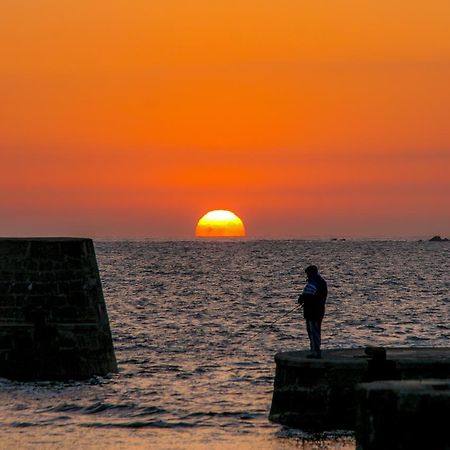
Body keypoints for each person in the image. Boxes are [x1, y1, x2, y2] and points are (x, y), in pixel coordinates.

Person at [298, 265, 327, 359]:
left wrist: (302, 300)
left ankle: (315, 351)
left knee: (312, 331)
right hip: (319, 311)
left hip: (312, 312)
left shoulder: (313, 283)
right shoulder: (321, 282)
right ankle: (316, 350)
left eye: (307, 274)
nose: (307, 276)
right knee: (316, 331)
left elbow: (305, 297)